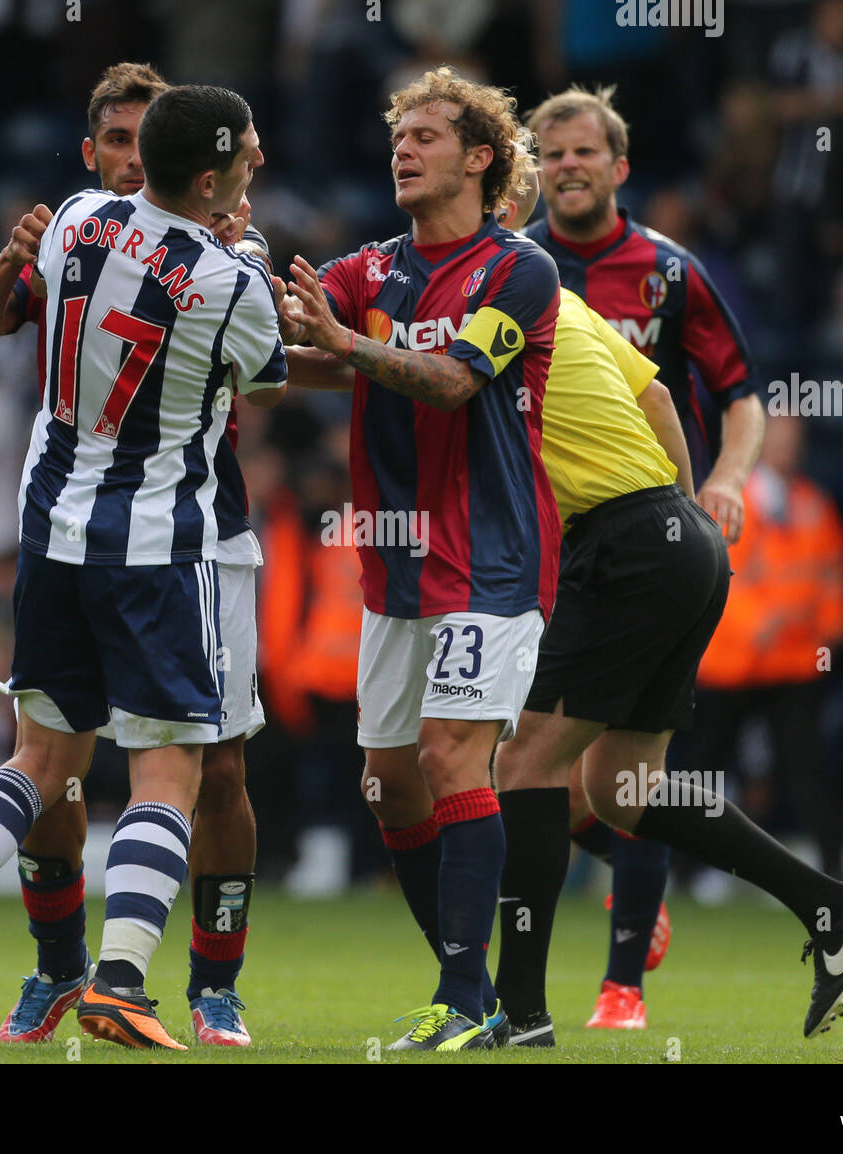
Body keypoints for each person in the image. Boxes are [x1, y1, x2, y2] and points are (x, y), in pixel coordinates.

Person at [0, 84, 286, 1052]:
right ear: (211, 174)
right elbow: (264, 377)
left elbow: (36, 300)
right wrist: (249, 247)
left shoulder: (73, 219)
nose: (260, 165)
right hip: (153, 549)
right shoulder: (231, 281)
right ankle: (121, 980)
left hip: (51, 532)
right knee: (167, 773)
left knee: (39, 760)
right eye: (249, 155)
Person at [490, 159, 843, 1044]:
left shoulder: (499, 301)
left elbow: (441, 390)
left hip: (625, 544)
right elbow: (663, 395)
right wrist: (680, 516)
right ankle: (831, 908)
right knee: (618, 785)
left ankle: (516, 1016)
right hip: (675, 538)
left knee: (522, 766)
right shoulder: (561, 297)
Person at [282, 65, 562, 1051]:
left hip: (488, 554)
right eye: (398, 135)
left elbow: (447, 381)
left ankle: (465, 997)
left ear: (479, 157)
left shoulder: (518, 270)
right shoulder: (370, 270)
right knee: (389, 779)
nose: (403, 148)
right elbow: (307, 348)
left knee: (451, 754)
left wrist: (339, 346)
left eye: (427, 135)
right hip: (393, 564)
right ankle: (480, 994)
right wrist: (246, 349)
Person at [518, 83, 765, 1029]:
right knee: (578, 775)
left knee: (616, 756)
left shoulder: (668, 272)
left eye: (586, 153)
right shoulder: (519, 266)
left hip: (647, 538)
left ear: (620, 168)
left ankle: (622, 985)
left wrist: (726, 480)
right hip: (547, 543)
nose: (569, 168)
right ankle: (634, 865)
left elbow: (737, 391)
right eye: (553, 154)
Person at [692, 415, 843, 879]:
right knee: (704, 771)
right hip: (733, 663)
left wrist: (828, 630)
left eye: (794, 440)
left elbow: (834, 575)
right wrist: (764, 622)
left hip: (795, 662)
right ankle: (680, 871)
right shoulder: (730, 501)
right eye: (778, 439)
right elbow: (718, 575)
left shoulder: (815, 505)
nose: (788, 448)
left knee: (808, 769)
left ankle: (836, 869)